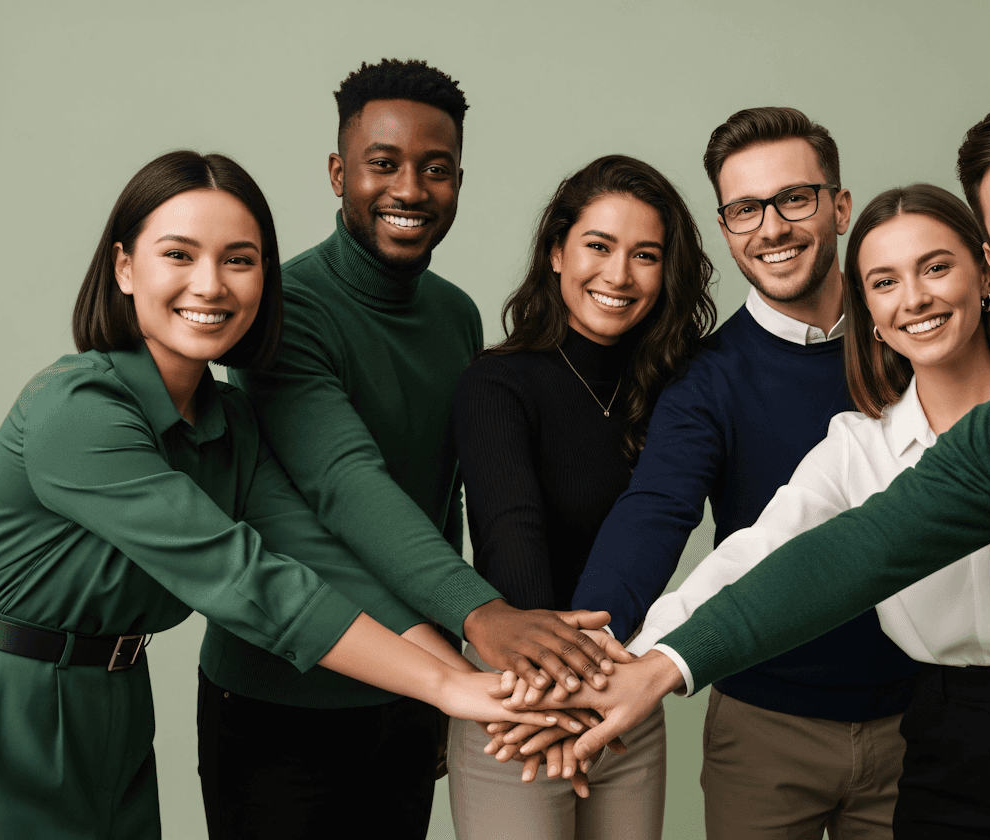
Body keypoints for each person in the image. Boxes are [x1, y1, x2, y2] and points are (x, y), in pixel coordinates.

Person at [521, 87, 990, 838]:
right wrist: (635, 659)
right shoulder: (982, 436)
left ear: (983, 273)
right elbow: (808, 553)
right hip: (928, 736)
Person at [0, 150, 561, 840]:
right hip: (9, 695)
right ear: (124, 268)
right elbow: (240, 575)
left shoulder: (227, 422)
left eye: (239, 260)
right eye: (179, 254)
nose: (210, 285)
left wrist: (481, 684)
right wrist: (448, 688)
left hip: (112, 697)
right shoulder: (78, 408)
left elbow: (320, 558)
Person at [203, 59, 622, 838]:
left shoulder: (456, 316)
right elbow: (343, 484)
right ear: (338, 173)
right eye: (383, 164)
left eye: (436, 169)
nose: (410, 190)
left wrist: (440, 682)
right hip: (280, 694)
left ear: (459, 180)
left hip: (411, 692)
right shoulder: (284, 312)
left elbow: (451, 494)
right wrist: (481, 616)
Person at [569, 107, 917, 839]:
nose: (772, 228)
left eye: (796, 199)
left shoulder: (917, 333)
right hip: (764, 728)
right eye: (745, 210)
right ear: (726, 228)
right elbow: (655, 510)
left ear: (840, 206)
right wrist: (592, 646)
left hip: (923, 720)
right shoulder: (707, 380)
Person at [447, 155, 717, 838]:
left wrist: (606, 687)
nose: (619, 276)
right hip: (517, 695)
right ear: (557, 252)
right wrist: (557, 697)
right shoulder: (498, 383)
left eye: (645, 255)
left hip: (627, 689)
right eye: (599, 246)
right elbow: (511, 541)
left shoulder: (678, 389)